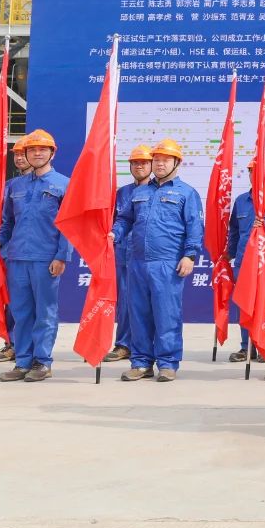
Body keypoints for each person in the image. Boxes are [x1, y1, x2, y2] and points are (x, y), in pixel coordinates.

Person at [112, 138, 203, 382]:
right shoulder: (140, 192)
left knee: (166, 314)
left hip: (167, 263)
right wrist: (114, 234)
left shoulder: (187, 193)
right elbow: (125, 220)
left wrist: (189, 255)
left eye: (165, 160)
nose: (160, 164)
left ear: (176, 163)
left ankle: (167, 363)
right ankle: (141, 363)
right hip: (137, 262)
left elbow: (194, 227)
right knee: (138, 314)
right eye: (157, 159)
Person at [0, 129, 73, 383]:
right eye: (32, 150)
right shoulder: (15, 186)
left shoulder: (64, 184)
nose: (37, 153)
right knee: (21, 312)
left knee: (45, 312)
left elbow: (68, 226)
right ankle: (22, 362)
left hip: (46, 259)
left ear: (52, 153)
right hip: (17, 258)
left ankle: (42, 361)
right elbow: (8, 222)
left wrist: (62, 256)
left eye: (42, 149)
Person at [104, 145, 154, 363]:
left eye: (143, 162)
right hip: (123, 255)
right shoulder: (122, 193)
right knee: (124, 301)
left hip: (148, 256)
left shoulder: (157, 190)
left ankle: (147, 346)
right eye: (135, 163)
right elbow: (117, 221)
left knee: (150, 303)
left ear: (152, 165)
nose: (139, 166)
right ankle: (124, 344)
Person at [0, 142, 34, 365]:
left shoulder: (47, 184)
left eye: (23, 154)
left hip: (35, 254)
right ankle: (13, 343)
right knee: (13, 302)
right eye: (16, 154)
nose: (19, 158)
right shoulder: (9, 186)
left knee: (37, 306)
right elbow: (4, 220)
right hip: (9, 252)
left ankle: (33, 350)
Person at [226, 158, 265, 364]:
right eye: (253, 171)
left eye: (262, 171)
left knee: (264, 304)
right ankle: (246, 347)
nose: (257, 175)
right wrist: (229, 253)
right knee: (244, 304)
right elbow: (234, 231)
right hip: (243, 263)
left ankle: (262, 345)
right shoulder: (241, 201)